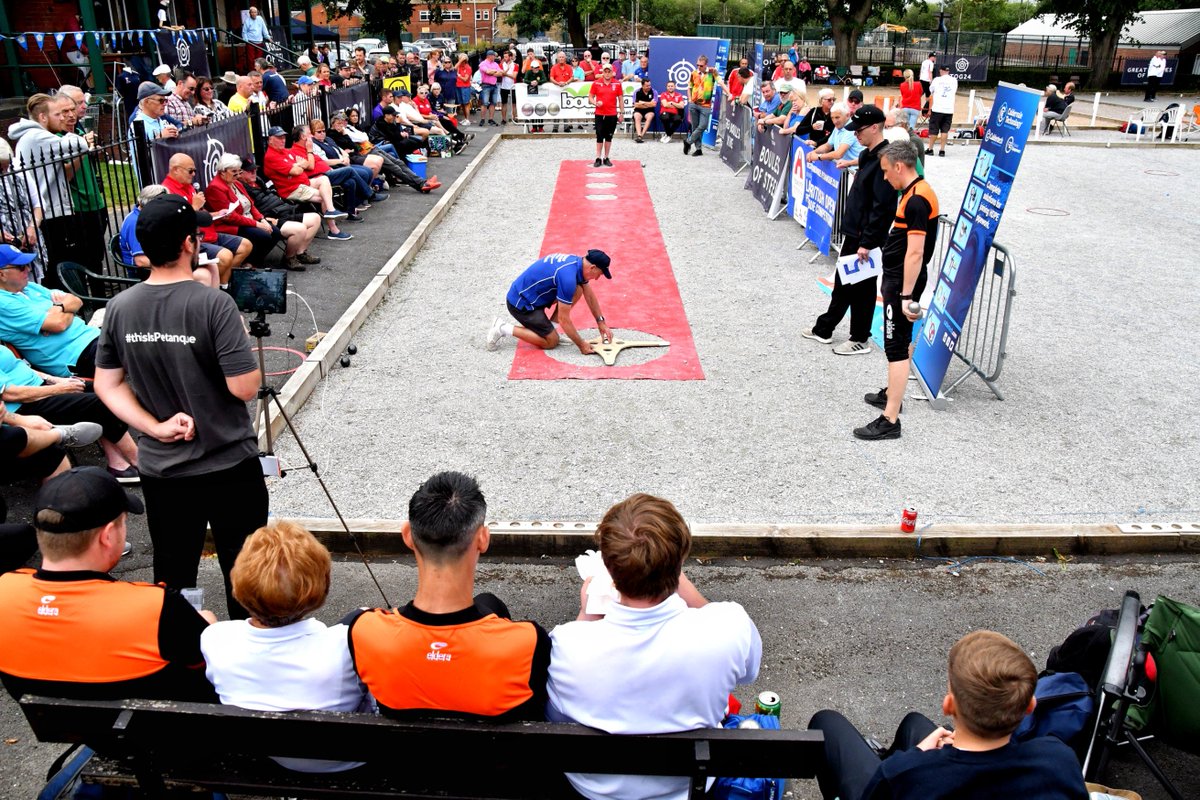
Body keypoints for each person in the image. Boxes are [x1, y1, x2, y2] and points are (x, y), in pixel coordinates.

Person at [94, 195, 269, 620]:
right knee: (243, 568)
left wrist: (153, 428)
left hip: (163, 467)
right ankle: (243, 650)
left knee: (174, 571)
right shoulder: (214, 304)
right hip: (227, 461)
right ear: (190, 244)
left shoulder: (120, 307)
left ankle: (181, 649)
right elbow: (245, 387)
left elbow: (107, 383)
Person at [546, 493, 762, 800]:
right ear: (681, 560)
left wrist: (585, 616)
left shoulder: (566, 648)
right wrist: (687, 589)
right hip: (688, 787)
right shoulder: (727, 628)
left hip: (591, 791)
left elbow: (555, 714)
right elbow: (748, 673)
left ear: (607, 568)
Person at [0, 466, 217, 703]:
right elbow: (210, 662)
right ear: (108, 535)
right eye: (123, 523)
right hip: (156, 730)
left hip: (65, 726)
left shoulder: (5, 591)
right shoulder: (155, 607)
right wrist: (210, 629)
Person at [346, 471, 550, 721]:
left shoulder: (365, 631)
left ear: (408, 535)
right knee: (490, 602)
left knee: (489, 602)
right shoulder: (527, 642)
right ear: (483, 540)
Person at [807, 630, 1089, 800]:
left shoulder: (905, 774)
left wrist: (917, 755)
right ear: (1030, 706)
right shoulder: (1059, 760)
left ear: (949, 705)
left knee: (826, 723)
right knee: (914, 723)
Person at [202, 522, 371, 772]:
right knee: (364, 614)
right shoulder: (349, 645)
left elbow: (211, 628)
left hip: (266, 759)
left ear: (239, 582)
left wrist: (208, 624)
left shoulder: (215, 639)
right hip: (343, 762)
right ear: (320, 587)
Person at [851, 139, 938, 440]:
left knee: (895, 346)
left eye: (887, 171)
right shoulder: (915, 192)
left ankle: (890, 418)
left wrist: (905, 296)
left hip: (901, 282)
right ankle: (893, 392)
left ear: (900, 166)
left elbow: (915, 253)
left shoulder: (916, 200)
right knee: (900, 342)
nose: (885, 177)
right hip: (899, 279)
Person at [803, 105, 896, 356]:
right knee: (843, 282)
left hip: (866, 236)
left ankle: (860, 337)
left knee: (863, 287)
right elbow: (863, 160)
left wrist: (868, 241)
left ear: (875, 127)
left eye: (860, 130)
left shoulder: (885, 161)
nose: (855, 135)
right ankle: (825, 327)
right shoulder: (869, 154)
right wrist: (849, 161)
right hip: (854, 232)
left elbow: (883, 207)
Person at [0, 332, 140, 483]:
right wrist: (59, 389)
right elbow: (10, 394)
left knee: (104, 389)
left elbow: (20, 367)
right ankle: (138, 459)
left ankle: (117, 463)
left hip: (39, 388)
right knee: (101, 401)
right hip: (24, 405)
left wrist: (56, 380)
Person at [8, 94, 100, 288]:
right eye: (58, 114)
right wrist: (76, 135)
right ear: (43, 117)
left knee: (62, 261)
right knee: (58, 265)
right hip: (50, 213)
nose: (63, 118)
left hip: (52, 209)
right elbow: (79, 145)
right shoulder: (37, 136)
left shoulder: (38, 137)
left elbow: (63, 173)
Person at [0, 244, 101, 378]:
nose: (29, 269)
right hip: (77, 356)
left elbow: (76, 300)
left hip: (94, 337)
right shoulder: (4, 303)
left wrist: (59, 309)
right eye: (21, 267)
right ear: (2, 274)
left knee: (135, 332)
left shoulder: (29, 287)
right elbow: (59, 324)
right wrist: (63, 309)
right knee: (133, 348)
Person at [487, 250, 613, 355]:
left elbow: (589, 295)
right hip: (521, 304)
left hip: (534, 295)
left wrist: (600, 321)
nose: (597, 278)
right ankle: (502, 328)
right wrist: (581, 344)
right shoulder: (567, 277)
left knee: (578, 289)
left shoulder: (576, 263)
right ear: (592, 267)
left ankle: (551, 330)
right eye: (600, 274)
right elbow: (564, 320)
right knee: (551, 342)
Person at [161, 153, 252, 283]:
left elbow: (200, 213)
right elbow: (175, 222)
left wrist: (217, 213)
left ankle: (224, 283)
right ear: (176, 170)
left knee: (246, 245)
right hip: (193, 240)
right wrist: (195, 207)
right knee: (226, 256)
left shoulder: (189, 185)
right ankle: (215, 286)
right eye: (190, 171)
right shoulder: (167, 191)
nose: (193, 174)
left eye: (195, 171)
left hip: (208, 232)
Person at [262, 126, 353, 240]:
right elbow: (297, 170)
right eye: (279, 138)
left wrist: (298, 165)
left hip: (303, 182)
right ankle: (334, 230)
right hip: (292, 189)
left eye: (284, 137)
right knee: (325, 195)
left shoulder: (285, 151)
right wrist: (298, 165)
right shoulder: (271, 156)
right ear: (270, 139)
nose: (283, 140)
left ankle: (331, 210)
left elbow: (307, 164)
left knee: (324, 179)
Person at [805, 102, 862, 168]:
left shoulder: (851, 130)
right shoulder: (838, 126)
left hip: (854, 171)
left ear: (847, 115)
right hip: (844, 170)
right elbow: (827, 146)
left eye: (837, 117)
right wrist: (813, 152)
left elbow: (839, 154)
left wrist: (819, 157)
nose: (834, 121)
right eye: (832, 118)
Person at [589, 65, 623, 166]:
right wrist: (595, 103)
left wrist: (622, 113)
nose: (607, 73)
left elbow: (621, 99)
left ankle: (606, 157)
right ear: (602, 72)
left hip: (612, 114)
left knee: (609, 136)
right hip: (600, 113)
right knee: (599, 135)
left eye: (609, 71)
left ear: (612, 72)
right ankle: (598, 157)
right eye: (605, 71)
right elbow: (590, 97)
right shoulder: (596, 83)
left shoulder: (617, 84)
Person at [684, 54, 716, 157]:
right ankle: (698, 149)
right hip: (693, 103)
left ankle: (688, 141)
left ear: (706, 65)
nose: (699, 67)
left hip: (706, 105)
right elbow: (689, 87)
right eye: (697, 65)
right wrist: (689, 99)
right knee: (695, 127)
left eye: (701, 65)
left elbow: (719, 78)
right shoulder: (693, 73)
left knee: (703, 125)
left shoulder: (711, 73)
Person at [926, 64, 957, 157]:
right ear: (948, 71)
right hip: (949, 109)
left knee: (934, 130)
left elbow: (931, 90)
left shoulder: (937, 80)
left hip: (937, 108)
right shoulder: (954, 80)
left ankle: (930, 148)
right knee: (945, 130)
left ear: (941, 71)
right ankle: (942, 150)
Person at [549, 53, 575, 133]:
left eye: (562, 57)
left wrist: (566, 83)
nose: (561, 58)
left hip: (566, 91)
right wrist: (557, 83)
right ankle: (555, 127)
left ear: (565, 58)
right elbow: (551, 78)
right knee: (556, 108)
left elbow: (572, 77)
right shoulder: (554, 67)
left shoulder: (569, 67)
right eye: (560, 57)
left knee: (565, 108)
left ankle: (566, 126)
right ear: (557, 58)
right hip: (556, 91)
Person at [523, 54, 548, 133]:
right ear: (532, 68)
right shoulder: (528, 72)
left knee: (540, 108)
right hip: (531, 94)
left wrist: (538, 82)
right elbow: (525, 80)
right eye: (535, 68)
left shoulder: (541, 72)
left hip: (540, 94)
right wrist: (531, 82)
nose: (537, 69)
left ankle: (540, 127)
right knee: (532, 109)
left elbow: (545, 79)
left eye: (537, 67)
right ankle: (534, 126)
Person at [478, 50, 502, 126]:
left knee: (493, 103)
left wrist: (493, 72)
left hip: (494, 85)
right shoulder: (483, 64)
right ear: (489, 56)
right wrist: (495, 71)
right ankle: (482, 119)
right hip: (486, 85)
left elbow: (500, 73)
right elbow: (488, 72)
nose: (495, 57)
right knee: (485, 103)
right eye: (494, 55)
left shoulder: (495, 64)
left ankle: (491, 119)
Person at [499, 50, 519, 125]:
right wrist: (506, 71)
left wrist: (505, 73)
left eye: (506, 57)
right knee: (504, 103)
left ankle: (514, 117)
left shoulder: (515, 65)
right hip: (504, 86)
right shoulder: (502, 64)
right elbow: (500, 74)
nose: (505, 58)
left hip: (512, 86)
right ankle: (503, 119)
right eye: (504, 57)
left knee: (514, 103)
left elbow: (514, 76)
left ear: (510, 57)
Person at [632, 78, 655, 143]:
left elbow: (654, 105)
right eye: (647, 86)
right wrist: (648, 103)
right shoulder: (637, 92)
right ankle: (639, 135)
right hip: (639, 110)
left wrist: (642, 102)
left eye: (649, 85)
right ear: (642, 86)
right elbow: (635, 105)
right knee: (637, 116)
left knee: (650, 116)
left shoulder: (654, 91)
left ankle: (641, 135)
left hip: (649, 111)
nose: (649, 87)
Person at [455, 53, 474, 124]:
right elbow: (454, 68)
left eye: (462, 60)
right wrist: (459, 61)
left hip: (465, 87)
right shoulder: (459, 66)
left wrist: (458, 75)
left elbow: (465, 79)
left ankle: (468, 119)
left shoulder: (468, 67)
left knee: (466, 103)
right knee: (462, 103)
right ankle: (465, 118)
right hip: (458, 86)